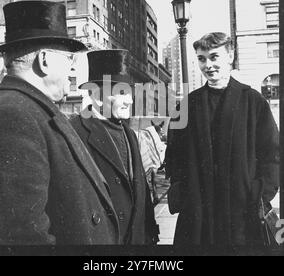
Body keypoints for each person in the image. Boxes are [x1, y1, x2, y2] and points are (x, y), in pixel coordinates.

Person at [0, 1, 120, 245]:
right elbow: (23, 235)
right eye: (69, 57)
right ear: (45, 60)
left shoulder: (30, 109)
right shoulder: (13, 115)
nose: (73, 66)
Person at [167, 32, 279, 246]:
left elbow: (273, 155)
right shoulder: (188, 106)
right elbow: (174, 157)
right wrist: (185, 194)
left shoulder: (253, 101)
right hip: (199, 215)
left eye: (214, 57)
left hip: (243, 212)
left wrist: (259, 195)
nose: (208, 65)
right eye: (201, 59)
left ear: (230, 56)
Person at [70, 49, 159, 244]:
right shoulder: (74, 132)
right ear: (97, 96)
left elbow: (142, 192)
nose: (130, 100)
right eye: (121, 93)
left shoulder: (130, 134)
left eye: (130, 93)